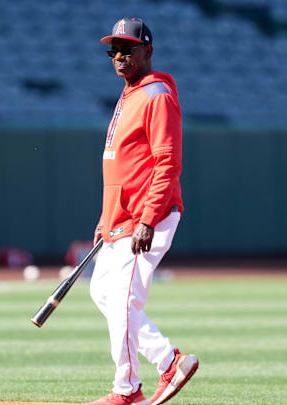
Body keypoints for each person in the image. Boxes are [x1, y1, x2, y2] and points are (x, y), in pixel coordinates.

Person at [87, 17, 199, 405]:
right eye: (113, 50)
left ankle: (127, 389)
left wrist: (148, 219)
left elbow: (167, 163)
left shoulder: (156, 95)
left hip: (145, 217)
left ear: (147, 51)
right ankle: (170, 361)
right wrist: (106, 218)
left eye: (127, 48)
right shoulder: (129, 93)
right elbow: (123, 165)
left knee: (123, 301)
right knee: (103, 293)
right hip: (120, 218)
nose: (118, 56)